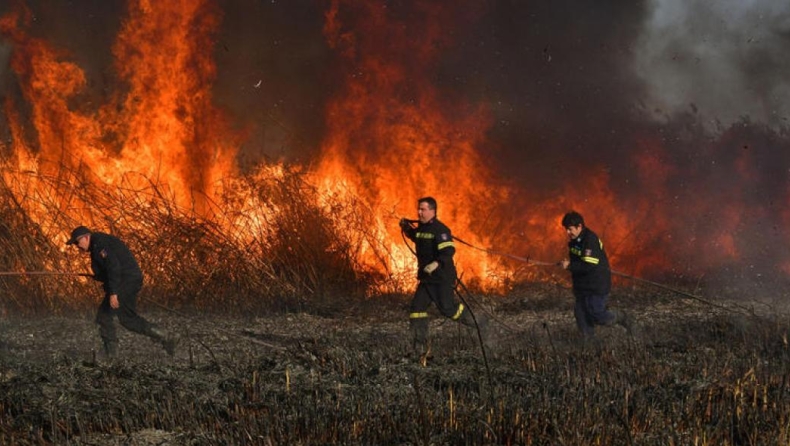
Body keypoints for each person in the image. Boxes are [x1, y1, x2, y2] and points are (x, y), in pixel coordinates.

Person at [399, 197, 488, 364]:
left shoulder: (440, 230)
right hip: (427, 280)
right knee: (416, 309)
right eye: (419, 209)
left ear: (433, 211)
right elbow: (416, 236)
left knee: (449, 310)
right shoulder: (422, 229)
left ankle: (480, 322)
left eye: (423, 209)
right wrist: (406, 228)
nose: (419, 212)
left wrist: (436, 263)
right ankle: (421, 350)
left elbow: (448, 250)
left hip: (441, 278)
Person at [67, 226, 175, 357]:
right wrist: (98, 276)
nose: (77, 246)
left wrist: (113, 293)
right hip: (128, 280)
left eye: (77, 242)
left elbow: (114, 267)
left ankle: (111, 355)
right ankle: (166, 336)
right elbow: (109, 269)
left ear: (86, 237)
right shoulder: (98, 244)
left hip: (126, 281)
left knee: (107, 316)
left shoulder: (100, 244)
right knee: (125, 319)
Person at [560, 211, 632, 340]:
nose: (568, 233)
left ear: (579, 226)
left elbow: (589, 266)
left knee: (597, 314)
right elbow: (577, 263)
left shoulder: (590, 240)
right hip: (582, 286)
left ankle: (620, 317)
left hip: (596, 285)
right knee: (580, 314)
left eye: (570, 229)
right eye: (566, 229)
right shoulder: (574, 242)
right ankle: (589, 345)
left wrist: (570, 266)